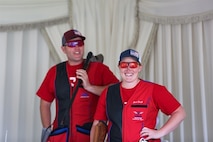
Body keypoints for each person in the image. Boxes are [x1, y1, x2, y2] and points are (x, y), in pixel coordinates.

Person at [36, 29, 119, 142]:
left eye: (80, 43)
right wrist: (47, 130)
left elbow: (117, 92)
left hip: (89, 135)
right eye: (72, 44)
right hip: (60, 135)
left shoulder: (99, 69)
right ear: (63, 49)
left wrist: (90, 87)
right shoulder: (55, 72)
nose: (77, 48)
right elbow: (45, 103)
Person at [90, 49, 186, 142]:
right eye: (124, 65)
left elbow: (180, 113)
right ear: (119, 67)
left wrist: (159, 133)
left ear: (140, 67)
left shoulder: (155, 90)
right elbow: (97, 124)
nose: (128, 69)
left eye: (133, 65)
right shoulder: (108, 92)